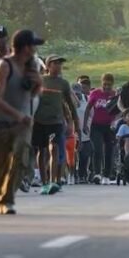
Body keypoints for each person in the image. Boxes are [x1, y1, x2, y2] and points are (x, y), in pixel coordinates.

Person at [0, 29, 43, 215]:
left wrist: (38, 85)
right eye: (33, 45)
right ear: (25, 47)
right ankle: (0, 194)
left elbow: (32, 94)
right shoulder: (4, 66)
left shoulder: (32, 65)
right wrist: (18, 115)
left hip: (23, 125)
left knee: (20, 159)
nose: (35, 49)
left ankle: (8, 199)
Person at [33, 55, 78, 195]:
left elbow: (70, 104)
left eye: (60, 64)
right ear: (47, 66)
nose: (58, 66)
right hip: (39, 121)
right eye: (55, 63)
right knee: (42, 151)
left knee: (55, 148)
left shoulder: (63, 84)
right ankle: (44, 182)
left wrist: (75, 121)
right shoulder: (39, 81)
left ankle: (53, 181)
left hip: (56, 121)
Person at [84, 73, 117, 185]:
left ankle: (107, 174)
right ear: (101, 82)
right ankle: (97, 173)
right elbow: (88, 109)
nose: (107, 87)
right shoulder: (95, 93)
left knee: (109, 150)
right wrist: (85, 124)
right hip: (96, 125)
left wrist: (115, 121)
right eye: (105, 84)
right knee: (97, 150)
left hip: (109, 126)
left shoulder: (115, 94)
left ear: (113, 84)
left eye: (109, 84)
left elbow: (120, 110)